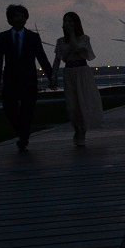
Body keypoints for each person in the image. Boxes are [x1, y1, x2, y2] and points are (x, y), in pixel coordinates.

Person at [0, 4, 54, 152]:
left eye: (22, 16)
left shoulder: (33, 37)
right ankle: (23, 133)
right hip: (10, 81)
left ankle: (23, 138)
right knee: (9, 110)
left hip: (29, 80)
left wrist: (51, 76)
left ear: (26, 18)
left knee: (27, 111)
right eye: (16, 16)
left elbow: (42, 58)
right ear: (10, 19)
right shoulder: (2, 37)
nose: (20, 18)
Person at [50, 11, 104, 147]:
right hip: (69, 73)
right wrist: (53, 75)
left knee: (83, 103)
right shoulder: (60, 41)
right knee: (72, 105)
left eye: (70, 21)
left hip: (82, 72)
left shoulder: (84, 38)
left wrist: (72, 34)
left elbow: (77, 49)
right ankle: (76, 128)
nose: (67, 24)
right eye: (65, 21)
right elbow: (57, 60)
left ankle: (82, 132)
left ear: (76, 24)